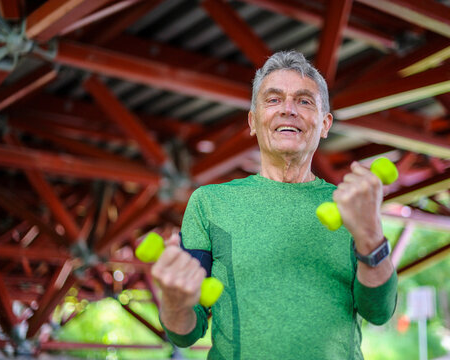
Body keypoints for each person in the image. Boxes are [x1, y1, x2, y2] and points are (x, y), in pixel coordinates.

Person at [151, 50, 397, 359]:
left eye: (305, 101)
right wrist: (174, 301)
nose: (288, 110)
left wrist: (371, 237)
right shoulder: (209, 203)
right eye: (273, 99)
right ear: (253, 121)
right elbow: (185, 333)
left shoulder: (351, 205)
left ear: (324, 124)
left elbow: (379, 312)